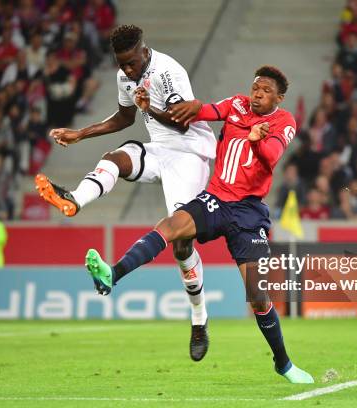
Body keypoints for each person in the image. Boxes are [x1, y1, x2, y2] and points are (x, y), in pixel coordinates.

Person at [84, 66, 314, 384]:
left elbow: (272, 157)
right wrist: (157, 106)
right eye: (255, 87)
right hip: (216, 199)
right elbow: (203, 110)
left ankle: (284, 363)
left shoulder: (283, 121)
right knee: (170, 226)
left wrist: (258, 140)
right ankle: (113, 274)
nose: (257, 93)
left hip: (249, 212)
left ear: (279, 97)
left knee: (258, 295)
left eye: (265, 90)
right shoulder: (236, 104)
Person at [34, 25, 215, 361]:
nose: (127, 70)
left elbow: (183, 122)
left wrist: (150, 107)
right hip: (161, 149)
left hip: (191, 154)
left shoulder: (169, 72)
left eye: (131, 63)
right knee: (116, 157)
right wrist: (81, 133)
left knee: (181, 243)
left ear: (144, 50)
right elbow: (124, 117)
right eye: (122, 64)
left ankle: (199, 318)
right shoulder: (124, 76)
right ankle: (75, 199)